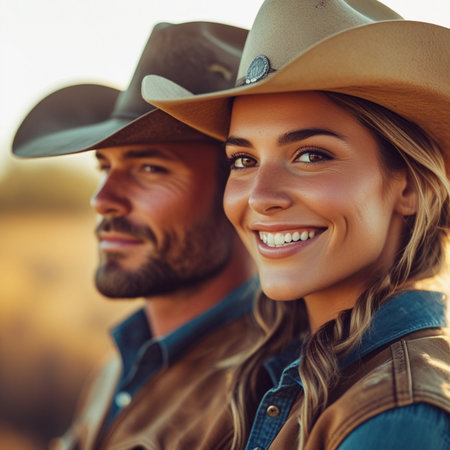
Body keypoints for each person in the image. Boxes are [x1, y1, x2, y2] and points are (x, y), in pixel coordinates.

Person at [141, 1, 450, 449]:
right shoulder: (272, 366)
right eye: (243, 160)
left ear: (410, 187)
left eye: (311, 155)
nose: (261, 197)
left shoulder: (401, 417)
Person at [12, 22, 271, 450]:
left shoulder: (267, 398)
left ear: (238, 189)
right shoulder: (116, 369)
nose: (103, 199)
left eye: (151, 167)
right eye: (104, 166)